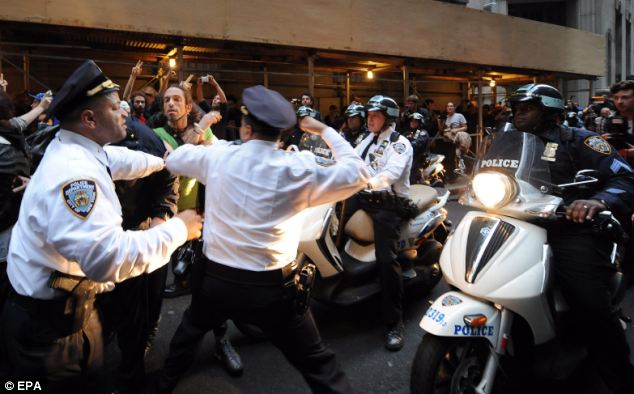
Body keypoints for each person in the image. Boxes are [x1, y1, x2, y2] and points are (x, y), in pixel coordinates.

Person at [0, 60, 203, 392]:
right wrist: (180, 228)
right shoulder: (77, 176)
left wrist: (163, 162)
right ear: (89, 119)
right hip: (50, 336)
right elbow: (108, 258)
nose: (123, 111)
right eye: (113, 107)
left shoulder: (78, 148)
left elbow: (118, 161)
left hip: (57, 313)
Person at [157, 85, 368, 393]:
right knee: (319, 366)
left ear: (246, 128)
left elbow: (174, 160)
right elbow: (358, 172)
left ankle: (163, 386)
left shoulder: (219, 157)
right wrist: (323, 129)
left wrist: (202, 131)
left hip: (216, 282)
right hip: (272, 291)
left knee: (185, 342)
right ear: (280, 135)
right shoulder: (299, 167)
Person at [509, 83, 634, 394]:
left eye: (528, 108)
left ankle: (621, 379)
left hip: (570, 228)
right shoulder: (512, 141)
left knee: (589, 303)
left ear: (550, 112)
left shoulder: (581, 139)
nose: (518, 113)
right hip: (520, 223)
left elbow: (625, 176)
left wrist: (598, 201)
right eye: (517, 107)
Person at [152, 83, 242, 376]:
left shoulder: (205, 134)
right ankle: (146, 340)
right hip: (164, 221)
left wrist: (205, 133)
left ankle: (221, 341)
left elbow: (217, 157)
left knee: (209, 288)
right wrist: (203, 124)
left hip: (200, 222)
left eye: (177, 100)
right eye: (167, 100)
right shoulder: (157, 134)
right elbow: (176, 159)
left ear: (188, 106)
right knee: (154, 286)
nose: (171, 105)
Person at [97, 99, 179, 393]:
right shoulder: (85, 143)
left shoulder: (145, 138)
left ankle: (136, 361)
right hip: (106, 234)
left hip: (141, 228)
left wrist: (160, 218)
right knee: (106, 303)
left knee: (144, 304)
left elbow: (169, 176)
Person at [345, 95, 414, 351]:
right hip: (365, 196)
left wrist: (369, 183)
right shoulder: (367, 140)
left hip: (389, 202)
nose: (369, 119)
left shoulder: (400, 144)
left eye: (374, 116)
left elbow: (390, 174)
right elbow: (349, 159)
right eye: (369, 115)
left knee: (387, 259)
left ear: (388, 119)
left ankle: (394, 323)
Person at [403, 112, 430, 184]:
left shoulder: (422, 133)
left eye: (415, 121)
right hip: (407, 156)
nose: (412, 123)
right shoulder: (408, 132)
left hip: (418, 157)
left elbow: (417, 143)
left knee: (411, 173)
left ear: (420, 123)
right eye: (411, 121)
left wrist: (407, 145)